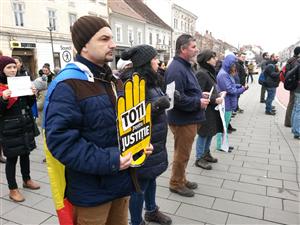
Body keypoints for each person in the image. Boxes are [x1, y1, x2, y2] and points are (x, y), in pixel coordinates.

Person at [44, 16, 152, 225]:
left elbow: (123, 127)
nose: (113, 44)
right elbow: (61, 142)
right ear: (84, 45)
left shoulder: (114, 80)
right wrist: (111, 160)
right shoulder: (68, 85)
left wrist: (139, 143)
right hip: (91, 194)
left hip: (121, 185)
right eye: (104, 39)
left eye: (112, 38)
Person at [121, 44, 172, 225]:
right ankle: (136, 221)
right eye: (155, 58)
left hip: (155, 142)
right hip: (142, 144)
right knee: (139, 186)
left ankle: (151, 211)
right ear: (146, 62)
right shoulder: (133, 82)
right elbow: (131, 116)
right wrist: (157, 105)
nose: (158, 61)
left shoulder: (151, 80)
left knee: (151, 178)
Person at [165, 34, 210, 197]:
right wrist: (197, 102)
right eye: (193, 47)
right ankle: (176, 183)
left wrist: (200, 94)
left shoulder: (185, 66)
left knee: (184, 152)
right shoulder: (176, 69)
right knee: (182, 154)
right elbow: (174, 98)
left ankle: (181, 179)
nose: (197, 49)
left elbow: (185, 91)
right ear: (183, 49)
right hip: (183, 120)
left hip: (189, 118)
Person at [0, 56, 40, 202]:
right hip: (9, 128)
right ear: (2, 70)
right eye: (8, 67)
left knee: (25, 154)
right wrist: (3, 99)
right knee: (11, 159)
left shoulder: (21, 81)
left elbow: (27, 104)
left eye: (14, 67)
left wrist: (32, 95)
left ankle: (27, 179)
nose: (12, 70)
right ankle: (13, 189)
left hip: (24, 125)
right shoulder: (0, 87)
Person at [194, 50, 224, 170]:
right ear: (207, 60)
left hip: (212, 109)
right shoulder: (201, 73)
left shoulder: (208, 72)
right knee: (203, 133)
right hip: (206, 109)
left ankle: (206, 153)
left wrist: (218, 94)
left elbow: (210, 89)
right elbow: (198, 93)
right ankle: (199, 157)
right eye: (213, 57)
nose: (216, 59)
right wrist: (214, 99)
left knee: (211, 132)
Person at [216, 54, 248, 152]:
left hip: (228, 103)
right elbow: (230, 90)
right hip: (226, 104)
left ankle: (224, 143)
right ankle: (220, 145)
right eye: (233, 65)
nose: (234, 67)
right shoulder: (223, 74)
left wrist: (239, 86)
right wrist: (242, 89)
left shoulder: (225, 73)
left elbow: (231, 85)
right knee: (222, 126)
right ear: (229, 64)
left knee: (225, 125)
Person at [284, 46, 300, 127]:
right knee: (293, 103)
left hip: (291, 83)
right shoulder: (296, 61)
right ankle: (289, 122)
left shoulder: (291, 60)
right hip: (295, 85)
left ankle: (289, 122)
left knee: (292, 102)